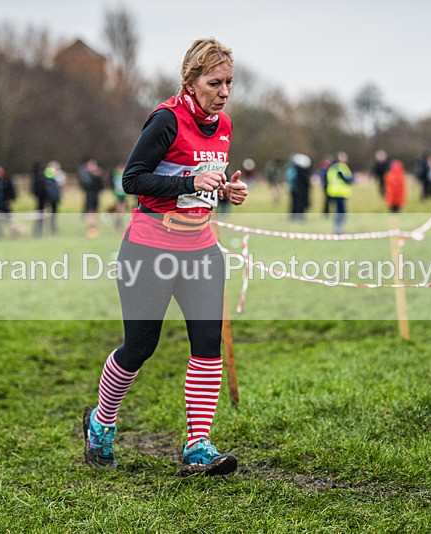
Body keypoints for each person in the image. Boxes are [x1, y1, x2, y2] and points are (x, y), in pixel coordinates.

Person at [83, 37, 248, 476]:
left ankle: (198, 446)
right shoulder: (166, 120)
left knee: (207, 345)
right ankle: (100, 424)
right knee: (140, 347)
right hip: (150, 248)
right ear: (190, 82)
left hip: (201, 249)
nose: (224, 92)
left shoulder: (224, 125)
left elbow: (200, 185)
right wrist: (191, 183)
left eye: (229, 83)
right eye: (215, 83)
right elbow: (133, 180)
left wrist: (225, 191)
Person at [325, 151, 353, 234]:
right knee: (340, 211)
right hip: (338, 192)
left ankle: (339, 227)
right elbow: (347, 179)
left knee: (339, 211)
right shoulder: (339, 167)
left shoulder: (336, 167)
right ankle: (338, 228)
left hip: (339, 192)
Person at [78, 157, 105, 237]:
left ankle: (94, 226)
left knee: (95, 210)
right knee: (89, 210)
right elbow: (85, 185)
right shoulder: (85, 174)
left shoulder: (98, 175)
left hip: (96, 196)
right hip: (89, 195)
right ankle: (90, 227)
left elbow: (101, 186)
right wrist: (93, 176)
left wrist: (98, 176)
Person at [0, 163, 17, 239]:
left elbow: (12, 193)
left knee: (10, 222)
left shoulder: (7, 181)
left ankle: (14, 235)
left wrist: (9, 201)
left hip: (5, 206)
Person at [287, 153, 311, 221]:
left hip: (295, 189)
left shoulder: (294, 168)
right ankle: (299, 216)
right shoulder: (301, 171)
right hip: (300, 189)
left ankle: (294, 216)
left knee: (295, 203)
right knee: (299, 203)